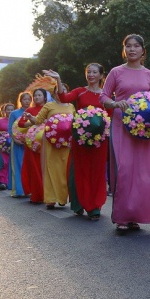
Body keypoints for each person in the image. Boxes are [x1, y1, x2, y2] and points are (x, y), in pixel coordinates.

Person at [101, 34, 150, 234]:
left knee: (142, 174)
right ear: (124, 50)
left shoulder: (148, 74)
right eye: (128, 46)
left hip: (143, 130)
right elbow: (103, 96)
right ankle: (122, 217)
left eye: (136, 46)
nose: (132, 49)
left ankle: (136, 216)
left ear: (142, 50)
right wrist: (114, 103)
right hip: (121, 126)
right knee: (125, 170)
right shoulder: (116, 72)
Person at [45, 64, 110, 220]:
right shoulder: (80, 91)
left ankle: (94, 206)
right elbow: (64, 98)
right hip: (80, 139)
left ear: (101, 75)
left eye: (95, 72)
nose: (91, 75)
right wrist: (58, 80)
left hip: (99, 141)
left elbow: (111, 115)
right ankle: (78, 203)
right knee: (79, 170)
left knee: (96, 172)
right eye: (89, 72)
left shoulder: (105, 95)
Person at [24, 88, 74, 209]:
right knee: (50, 169)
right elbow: (38, 121)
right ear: (53, 94)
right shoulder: (49, 105)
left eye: (63, 91)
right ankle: (50, 199)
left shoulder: (71, 106)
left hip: (67, 144)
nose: (60, 94)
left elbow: (75, 123)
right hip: (51, 143)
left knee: (64, 170)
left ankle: (62, 198)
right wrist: (31, 117)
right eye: (57, 91)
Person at [19, 89, 45, 203]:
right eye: (35, 96)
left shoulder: (48, 108)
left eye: (39, 95)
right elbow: (21, 123)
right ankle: (36, 194)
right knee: (34, 168)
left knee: (45, 169)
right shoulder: (30, 110)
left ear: (44, 97)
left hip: (46, 143)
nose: (37, 97)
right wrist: (31, 122)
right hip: (33, 143)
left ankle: (47, 195)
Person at [8, 92, 31, 197]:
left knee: (28, 166)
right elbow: (10, 129)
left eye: (28, 99)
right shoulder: (14, 113)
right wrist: (15, 139)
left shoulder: (33, 112)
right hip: (17, 144)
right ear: (20, 101)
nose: (27, 101)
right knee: (18, 165)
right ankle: (18, 190)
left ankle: (29, 189)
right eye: (24, 99)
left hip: (30, 144)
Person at [0, 102, 15, 190]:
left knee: (10, 163)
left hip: (13, 144)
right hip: (1, 145)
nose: (10, 111)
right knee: (2, 162)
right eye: (8, 110)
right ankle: (1, 181)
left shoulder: (16, 120)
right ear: (4, 111)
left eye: (12, 110)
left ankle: (9, 182)